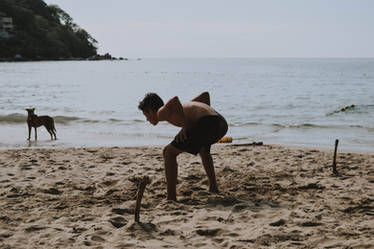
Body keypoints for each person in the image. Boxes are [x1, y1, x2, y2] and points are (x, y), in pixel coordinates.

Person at [138, 92, 228, 201]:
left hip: (209, 122)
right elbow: (205, 95)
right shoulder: (185, 106)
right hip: (221, 123)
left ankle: (171, 197)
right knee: (203, 150)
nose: (147, 119)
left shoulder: (161, 112)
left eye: (145, 115)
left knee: (168, 152)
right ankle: (213, 187)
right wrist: (194, 121)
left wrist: (185, 126)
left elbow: (174, 99)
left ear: (150, 110)